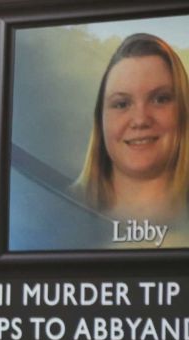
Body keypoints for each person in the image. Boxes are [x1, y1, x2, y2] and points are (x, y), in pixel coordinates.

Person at [74, 33, 189, 224]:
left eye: (160, 99)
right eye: (121, 104)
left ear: (184, 112)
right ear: (100, 120)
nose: (140, 120)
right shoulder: (57, 207)